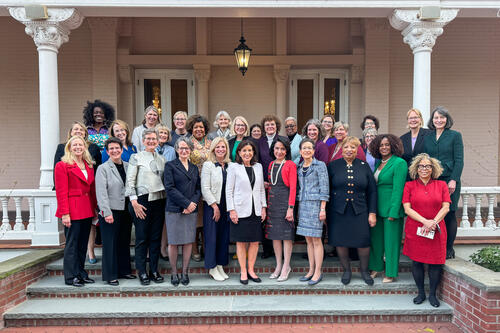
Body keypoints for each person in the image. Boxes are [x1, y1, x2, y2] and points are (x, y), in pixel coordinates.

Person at [327, 136, 377, 285]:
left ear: (357, 150)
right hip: (338, 211)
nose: (349, 150)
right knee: (341, 242)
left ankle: (364, 271)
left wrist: (372, 212)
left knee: (363, 241)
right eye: (347, 147)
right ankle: (346, 271)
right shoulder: (333, 166)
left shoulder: (364, 166)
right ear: (342, 149)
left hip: (360, 210)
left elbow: (372, 191)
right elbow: (327, 190)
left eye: (353, 147)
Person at [403, 153, 450, 308]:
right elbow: (407, 208)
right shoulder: (409, 186)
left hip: (436, 230)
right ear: (416, 168)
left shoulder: (442, 185)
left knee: (435, 263)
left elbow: (446, 207)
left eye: (427, 166)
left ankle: (432, 295)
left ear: (433, 168)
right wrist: (424, 221)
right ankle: (421, 292)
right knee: (417, 262)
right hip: (416, 229)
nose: (424, 169)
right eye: (421, 166)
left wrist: (433, 222)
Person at [53, 122, 101, 265]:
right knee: (72, 245)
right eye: (75, 145)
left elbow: (91, 190)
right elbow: (61, 192)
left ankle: (81, 273)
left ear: (85, 147)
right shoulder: (62, 165)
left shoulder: (89, 165)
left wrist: (95, 208)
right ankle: (71, 276)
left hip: (87, 209)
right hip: (72, 211)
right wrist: (65, 213)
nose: (78, 147)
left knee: (82, 244)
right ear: (69, 148)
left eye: (80, 145)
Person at [125, 128, 166, 286]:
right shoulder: (136, 157)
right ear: (143, 141)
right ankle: (141, 271)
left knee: (155, 238)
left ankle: (154, 270)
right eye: (148, 139)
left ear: (157, 141)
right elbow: (130, 181)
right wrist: (134, 202)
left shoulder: (162, 159)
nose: (151, 141)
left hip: (159, 200)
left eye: (153, 139)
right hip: (141, 201)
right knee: (142, 238)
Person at [424, 106, 463, 260]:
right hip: (433, 180)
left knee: (449, 213)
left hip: (449, 180)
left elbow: (459, 160)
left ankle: (449, 248)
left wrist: (454, 179)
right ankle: (436, 246)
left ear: (447, 119)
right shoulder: (428, 137)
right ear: (432, 120)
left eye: (442, 117)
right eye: (436, 118)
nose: (439, 120)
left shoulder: (455, 136)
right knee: (434, 212)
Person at [95, 138, 135, 286]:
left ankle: (124, 271)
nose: (114, 151)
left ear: (121, 149)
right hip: (111, 211)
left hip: (126, 210)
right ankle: (110, 275)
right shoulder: (103, 168)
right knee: (110, 244)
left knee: (123, 242)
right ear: (107, 151)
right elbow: (101, 192)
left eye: (117, 148)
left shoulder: (128, 166)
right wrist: (106, 212)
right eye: (111, 149)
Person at [226, 140, 267, 285]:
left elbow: (261, 189)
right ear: (238, 153)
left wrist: (263, 207)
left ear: (253, 152)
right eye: (244, 151)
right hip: (240, 210)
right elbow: (229, 190)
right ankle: (243, 271)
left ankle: (251, 270)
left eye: (250, 150)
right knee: (241, 242)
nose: (247, 153)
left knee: (255, 242)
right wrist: (231, 210)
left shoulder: (258, 167)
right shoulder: (233, 167)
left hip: (255, 210)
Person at [368, 134, 408, 283]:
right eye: (381, 145)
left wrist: (394, 210)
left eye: (387, 145)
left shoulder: (399, 163)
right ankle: (377, 267)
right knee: (376, 241)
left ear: (393, 146)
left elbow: (398, 189)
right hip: (377, 208)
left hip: (391, 209)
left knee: (391, 242)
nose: (384, 147)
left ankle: (390, 272)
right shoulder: (379, 163)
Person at [163, 137, 201, 286]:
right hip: (174, 209)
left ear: (191, 150)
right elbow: (170, 188)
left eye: (187, 148)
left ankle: (185, 272)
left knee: (187, 242)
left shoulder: (194, 167)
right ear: (177, 150)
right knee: (173, 243)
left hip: (191, 209)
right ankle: (174, 273)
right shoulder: (170, 166)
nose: (184, 151)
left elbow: (198, 188)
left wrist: (192, 204)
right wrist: (185, 203)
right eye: (181, 148)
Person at [296, 138, 329, 285]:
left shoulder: (320, 165)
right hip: (303, 206)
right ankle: (310, 270)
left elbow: (324, 188)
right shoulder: (300, 166)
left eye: (310, 148)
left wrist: (323, 208)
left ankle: (318, 271)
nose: (307, 150)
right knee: (308, 240)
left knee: (316, 240)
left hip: (316, 206)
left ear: (314, 150)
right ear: (300, 151)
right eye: (304, 148)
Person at [265, 137, 297, 282]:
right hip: (272, 203)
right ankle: (278, 265)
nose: (279, 151)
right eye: (277, 148)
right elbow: (272, 182)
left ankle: (286, 266)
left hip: (285, 204)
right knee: (275, 236)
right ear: (273, 149)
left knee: (286, 236)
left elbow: (293, 188)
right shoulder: (271, 164)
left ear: (286, 151)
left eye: (282, 149)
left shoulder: (290, 164)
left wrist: (290, 208)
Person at [257, 115, 289, 259]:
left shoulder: (283, 139)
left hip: (281, 184)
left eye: (272, 124)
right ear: (264, 127)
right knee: (266, 217)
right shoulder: (259, 142)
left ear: (277, 126)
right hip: (264, 183)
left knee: (280, 217)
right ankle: (267, 249)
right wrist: (262, 181)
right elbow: (257, 162)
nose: (270, 127)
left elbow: (286, 160)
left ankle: (281, 250)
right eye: (267, 125)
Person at [201, 137, 232, 281]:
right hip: (213, 205)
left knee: (223, 237)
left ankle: (220, 265)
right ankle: (212, 267)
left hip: (227, 205)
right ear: (213, 149)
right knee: (212, 237)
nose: (221, 149)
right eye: (218, 147)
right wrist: (214, 206)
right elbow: (205, 188)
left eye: (223, 147)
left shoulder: (229, 165)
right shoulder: (208, 165)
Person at [186, 114, 212, 261]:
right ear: (191, 128)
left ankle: (205, 247)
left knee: (206, 219)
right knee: (195, 219)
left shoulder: (211, 142)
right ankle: (195, 247)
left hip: (209, 186)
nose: (199, 129)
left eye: (201, 127)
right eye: (196, 127)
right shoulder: (187, 142)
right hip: (193, 186)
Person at [155, 124, 177, 261]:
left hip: (167, 189)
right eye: (160, 133)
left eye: (165, 133)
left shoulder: (171, 150)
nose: (163, 135)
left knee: (165, 221)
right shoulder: (150, 148)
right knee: (154, 220)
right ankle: (152, 249)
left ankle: (163, 248)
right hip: (153, 189)